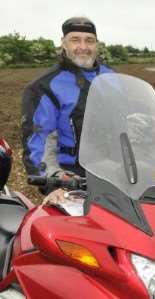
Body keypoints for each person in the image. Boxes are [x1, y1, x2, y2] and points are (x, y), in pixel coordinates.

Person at [21, 16, 113, 202]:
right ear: (63, 44)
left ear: (97, 44)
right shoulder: (45, 85)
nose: (83, 46)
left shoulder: (112, 77)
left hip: (114, 172)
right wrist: (52, 183)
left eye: (89, 40)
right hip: (71, 176)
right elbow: (38, 139)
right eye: (75, 40)